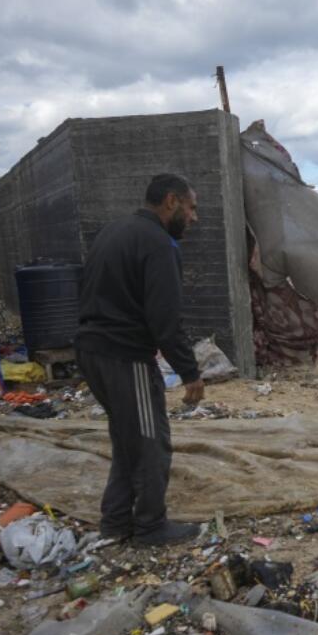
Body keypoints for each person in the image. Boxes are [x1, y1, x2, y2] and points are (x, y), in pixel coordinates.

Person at [74, 173, 205, 547]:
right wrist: (190, 372)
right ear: (171, 201)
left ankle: (115, 521)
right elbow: (165, 319)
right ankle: (149, 526)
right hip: (124, 356)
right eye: (191, 207)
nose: (194, 218)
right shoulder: (158, 243)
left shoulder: (115, 232)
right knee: (151, 442)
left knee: (127, 439)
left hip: (92, 350)